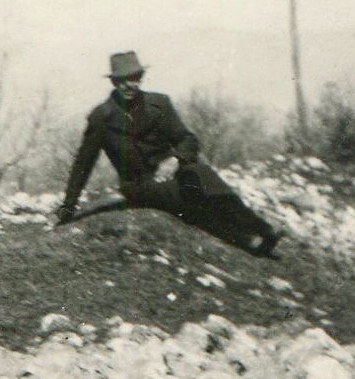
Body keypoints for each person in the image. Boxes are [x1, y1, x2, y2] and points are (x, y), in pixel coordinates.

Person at [56, 51, 281, 258]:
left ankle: (262, 229)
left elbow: (187, 139)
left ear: (141, 78)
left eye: (134, 78)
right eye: (122, 80)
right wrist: (69, 205)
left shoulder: (159, 104)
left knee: (203, 176)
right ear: (114, 82)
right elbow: (83, 163)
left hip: (173, 170)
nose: (129, 84)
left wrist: (175, 159)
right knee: (187, 200)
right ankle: (247, 241)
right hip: (139, 184)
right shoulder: (101, 118)